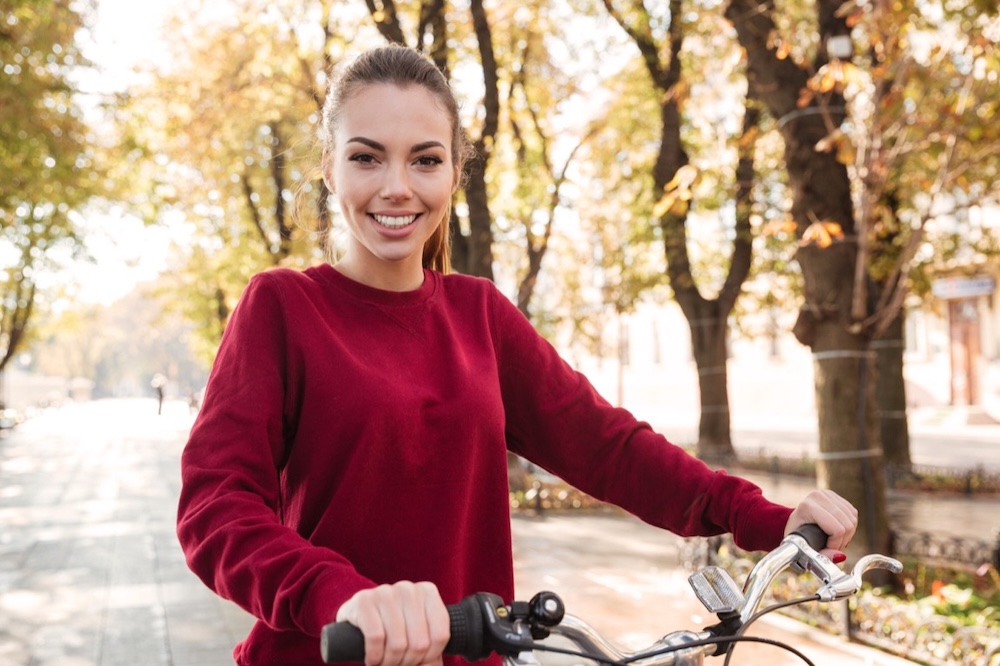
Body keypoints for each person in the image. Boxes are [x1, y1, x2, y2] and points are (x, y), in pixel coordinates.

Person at [176, 44, 858, 666]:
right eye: (366, 157)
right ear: (330, 167)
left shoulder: (478, 313)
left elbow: (607, 446)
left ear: (454, 172)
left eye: (425, 159)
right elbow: (216, 507)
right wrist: (339, 595)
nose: (397, 186)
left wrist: (762, 517)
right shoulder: (281, 308)